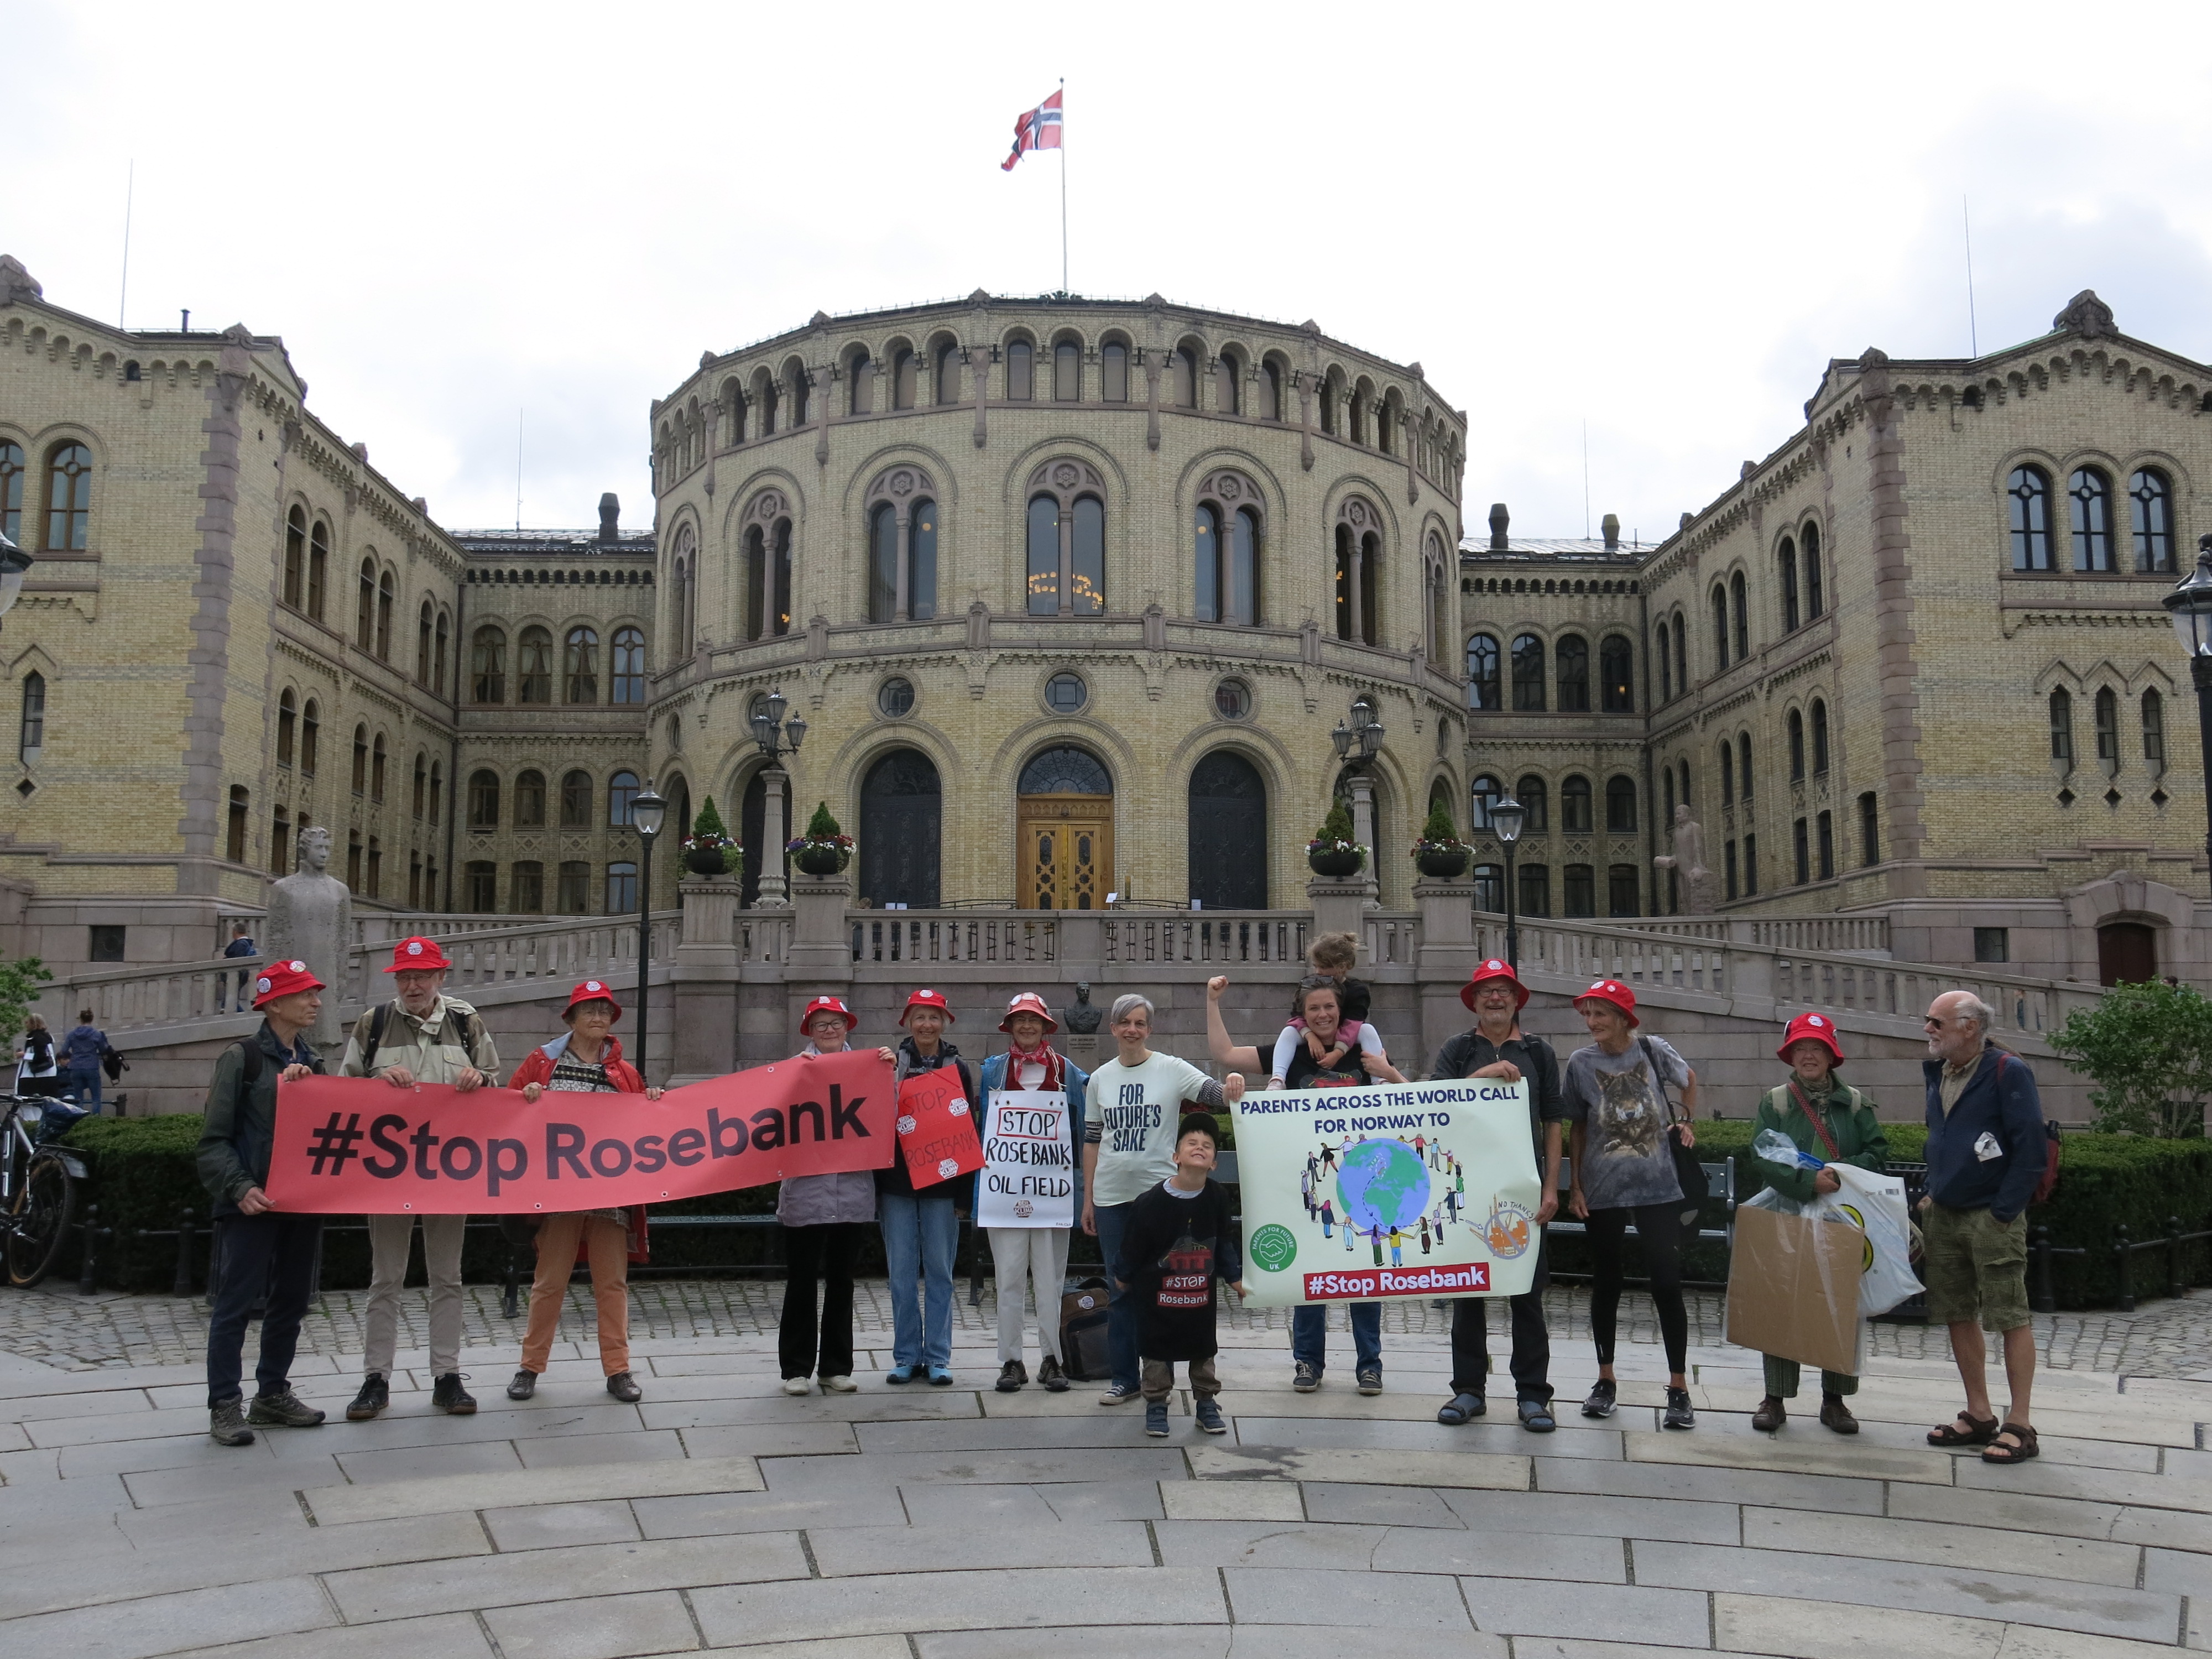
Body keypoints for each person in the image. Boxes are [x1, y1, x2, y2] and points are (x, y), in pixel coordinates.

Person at [1207, 973, 1397, 1395]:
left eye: (1330, 1006)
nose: (1324, 1014)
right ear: (1303, 1015)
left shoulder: (1364, 1046)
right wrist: (1213, 1002)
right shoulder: (1288, 1052)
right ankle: (1308, 1362)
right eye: (1314, 1008)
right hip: (1310, 1186)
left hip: (1361, 1185)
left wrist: (1389, 1071)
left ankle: (1370, 1365)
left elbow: (1401, 1103)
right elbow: (1222, 1053)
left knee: (1365, 1276)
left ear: (1341, 1009)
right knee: (1310, 1277)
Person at [338, 936, 500, 1422]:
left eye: (422, 976)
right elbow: (342, 1091)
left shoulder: (465, 1020)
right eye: (406, 977)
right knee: (385, 1278)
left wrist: (481, 1080)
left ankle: (447, 1376)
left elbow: (497, 1081)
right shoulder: (375, 1023)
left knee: (447, 1277)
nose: (413, 985)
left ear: (440, 979)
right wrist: (375, 1084)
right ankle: (376, 1379)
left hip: (448, 1172)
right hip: (388, 1174)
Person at [505, 980, 663, 1404]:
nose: (597, 1018)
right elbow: (505, 1111)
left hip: (609, 1199)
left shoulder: (625, 1073)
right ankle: (530, 1367)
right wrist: (527, 1097)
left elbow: (643, 1129)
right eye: (589, 1011)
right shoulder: (542, 1064)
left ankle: (618, 1369)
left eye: (604, 1012)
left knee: (611, 1284)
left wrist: (652, 1100)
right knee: (548, 1283)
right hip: (558, 1196)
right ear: (571, 1019)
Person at [1083, 993, 1244, 1406]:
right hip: (1112, 1196)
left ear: (1149, 1030)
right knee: (1121, 1288)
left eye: (1140, 1023)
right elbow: (1092, 1141)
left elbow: (1214, 1094)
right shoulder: (1100, 1079)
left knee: (1165, 1289)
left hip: (1161, 1201)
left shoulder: (1171, 1069)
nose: (1132, 1030)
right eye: (1125, 1023)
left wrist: (1233, 1086)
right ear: (1114, 1029)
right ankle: (1125, 1378)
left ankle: (1161, 1382)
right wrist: (1088, 1199)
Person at [195, 958, 330, 1447]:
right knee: (235, 1305)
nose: (315, 1002)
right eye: (305, 994)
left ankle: (272, 1392)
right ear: (274, 1004)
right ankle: (224, 1405)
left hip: (300, 1202)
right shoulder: (242, 1057)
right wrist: (240, 1187)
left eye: (315, 994)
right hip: (252, 1204)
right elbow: (213, 1140)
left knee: (290, 1303)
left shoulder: (312, 1062)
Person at [1432, 958, 1567, 1433]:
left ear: (1516, 1001)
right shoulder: (1458, 1049)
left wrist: (1551, 1187)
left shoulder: (1540, 1052)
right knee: (1468, 1293)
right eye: (1486, 991)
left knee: (1526, 1296)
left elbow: (1554, 1121)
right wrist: (1485, 1073)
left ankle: (1533, 1396)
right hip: (1468, 1192)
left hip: (1521, 1192)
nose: (1495, 998)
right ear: (1473, 1001)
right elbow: (1436, 1108)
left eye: (1503, 991)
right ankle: (1468, 1389)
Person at [1563, 978, 1700, 1431]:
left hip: (1659, 1186)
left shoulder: (1653, 1050)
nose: (1592, 1023)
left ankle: (1678, 1387)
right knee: (1607, 1284)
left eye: (1600, 1014)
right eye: (1587, 1014)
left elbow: (1689, 1081)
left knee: (1666, 1283)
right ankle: (1605, 1380)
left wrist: (1685, 1119)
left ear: (1623, 1017)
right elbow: (1577, 1127)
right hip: (1603, 1190)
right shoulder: (1580, 1063)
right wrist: (1577, 1186)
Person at [1748, 1011, 1888, 1434]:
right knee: (1781, 1303)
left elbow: (1877, 1153)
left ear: (1832, 1055)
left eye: (1817, 1048)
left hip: (1843, 1219)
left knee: (1840, 1304)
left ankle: (1835, 1400)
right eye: (1801, 1048)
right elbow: (1761, 1154)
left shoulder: (1857, 1103)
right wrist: (1808, 1182)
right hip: (1786, 1214)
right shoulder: (1776, 1101)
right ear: (1790, 1055)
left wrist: (1840, 1174)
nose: (1808, 1056)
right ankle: (1774, 1398)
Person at [1922, 990, 2047, 1466]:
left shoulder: (2007, 1071)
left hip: (1991, 1215)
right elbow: (1941, 1138)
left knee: (2010, 1315)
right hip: (1946, 1212)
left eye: (1937, 1022)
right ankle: (1979, 1413)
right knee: (1957, 1311)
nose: (1929, 1030)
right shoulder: (1939, 1072)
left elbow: (2030, 1150)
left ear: (1970, 1026)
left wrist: (2002, 1212)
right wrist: (1933, 1192)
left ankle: (2020, 1422)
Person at [778, 997, 896, 1396]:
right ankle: (796, 1369)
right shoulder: (793, 1072)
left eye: (836, 1023)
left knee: (842, 1282)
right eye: (821, 1024)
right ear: (809, 1031)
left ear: (848, 1028)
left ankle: (835, 1367)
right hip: (805, 1195)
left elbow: (889, 1116)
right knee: (801, 1282)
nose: (829, 1030)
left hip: (851, 1193)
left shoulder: (871, 1067)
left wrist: (889, 1072)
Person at [979, 991, 1090, 1393]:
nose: (1027, 1027)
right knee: (1008, 1278)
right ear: (1009, 1027)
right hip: (1004, 1192)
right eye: (1019, 1021)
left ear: (1046, 1027)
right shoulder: (993, 1071)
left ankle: (1052, 1359)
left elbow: (1093, 1113)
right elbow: (980, 1129)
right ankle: (1011, 1360)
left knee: (1049, 1279)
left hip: (1051, 1193)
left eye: (1034, 1021)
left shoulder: (1067, 1071)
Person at [1118, 1113, 1244, 1438]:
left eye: (1207, 1145)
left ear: (1214, 1163)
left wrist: (1234, 1278)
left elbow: (1224, 1242)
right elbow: (1133, 1244)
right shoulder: (1150, 1203)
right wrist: (1123, 1275)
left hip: (1200, 1296)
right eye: (1191, 1143)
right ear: (1176, 1157)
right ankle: (1157, 1404)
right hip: (1157, 1297)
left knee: (1203, 1350)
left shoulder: (1217, 1197)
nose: (1199, 1148)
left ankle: (1206, 1403)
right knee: (1157, 1352)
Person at [881, 988, 977, 1387]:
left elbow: (970, 1132)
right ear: (907, 1021)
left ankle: (937, 1357)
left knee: (940, 1273)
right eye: (919, 1017)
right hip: (896, 1186)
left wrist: (963, 1198)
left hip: (943, 1187)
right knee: (901, 1275)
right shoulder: (888, 1066)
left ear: (945, 1022)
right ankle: (906, 1356)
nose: (926, 1025)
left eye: (934, 1017)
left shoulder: (959, 1068)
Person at [61, 1008, 107, 1113]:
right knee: (96, 1097)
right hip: (91, 1066)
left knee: (78, 1096)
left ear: (81, 1020)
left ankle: (79, 1119)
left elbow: (64, 1051)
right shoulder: (97, 1034)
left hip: (75, 1067)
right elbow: (103, 1050)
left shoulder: (72, 1034)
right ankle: (95, 1120)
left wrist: (74, 1056)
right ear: (92, 1019)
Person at [220, 920, 257, 1013]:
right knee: (230, 1000)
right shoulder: (245, 943)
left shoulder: (241, 944)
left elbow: (238, 960)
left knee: (229, 1002)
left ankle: (243, 1016)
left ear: (235, 932)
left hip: (236, 975)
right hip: (240, 975)